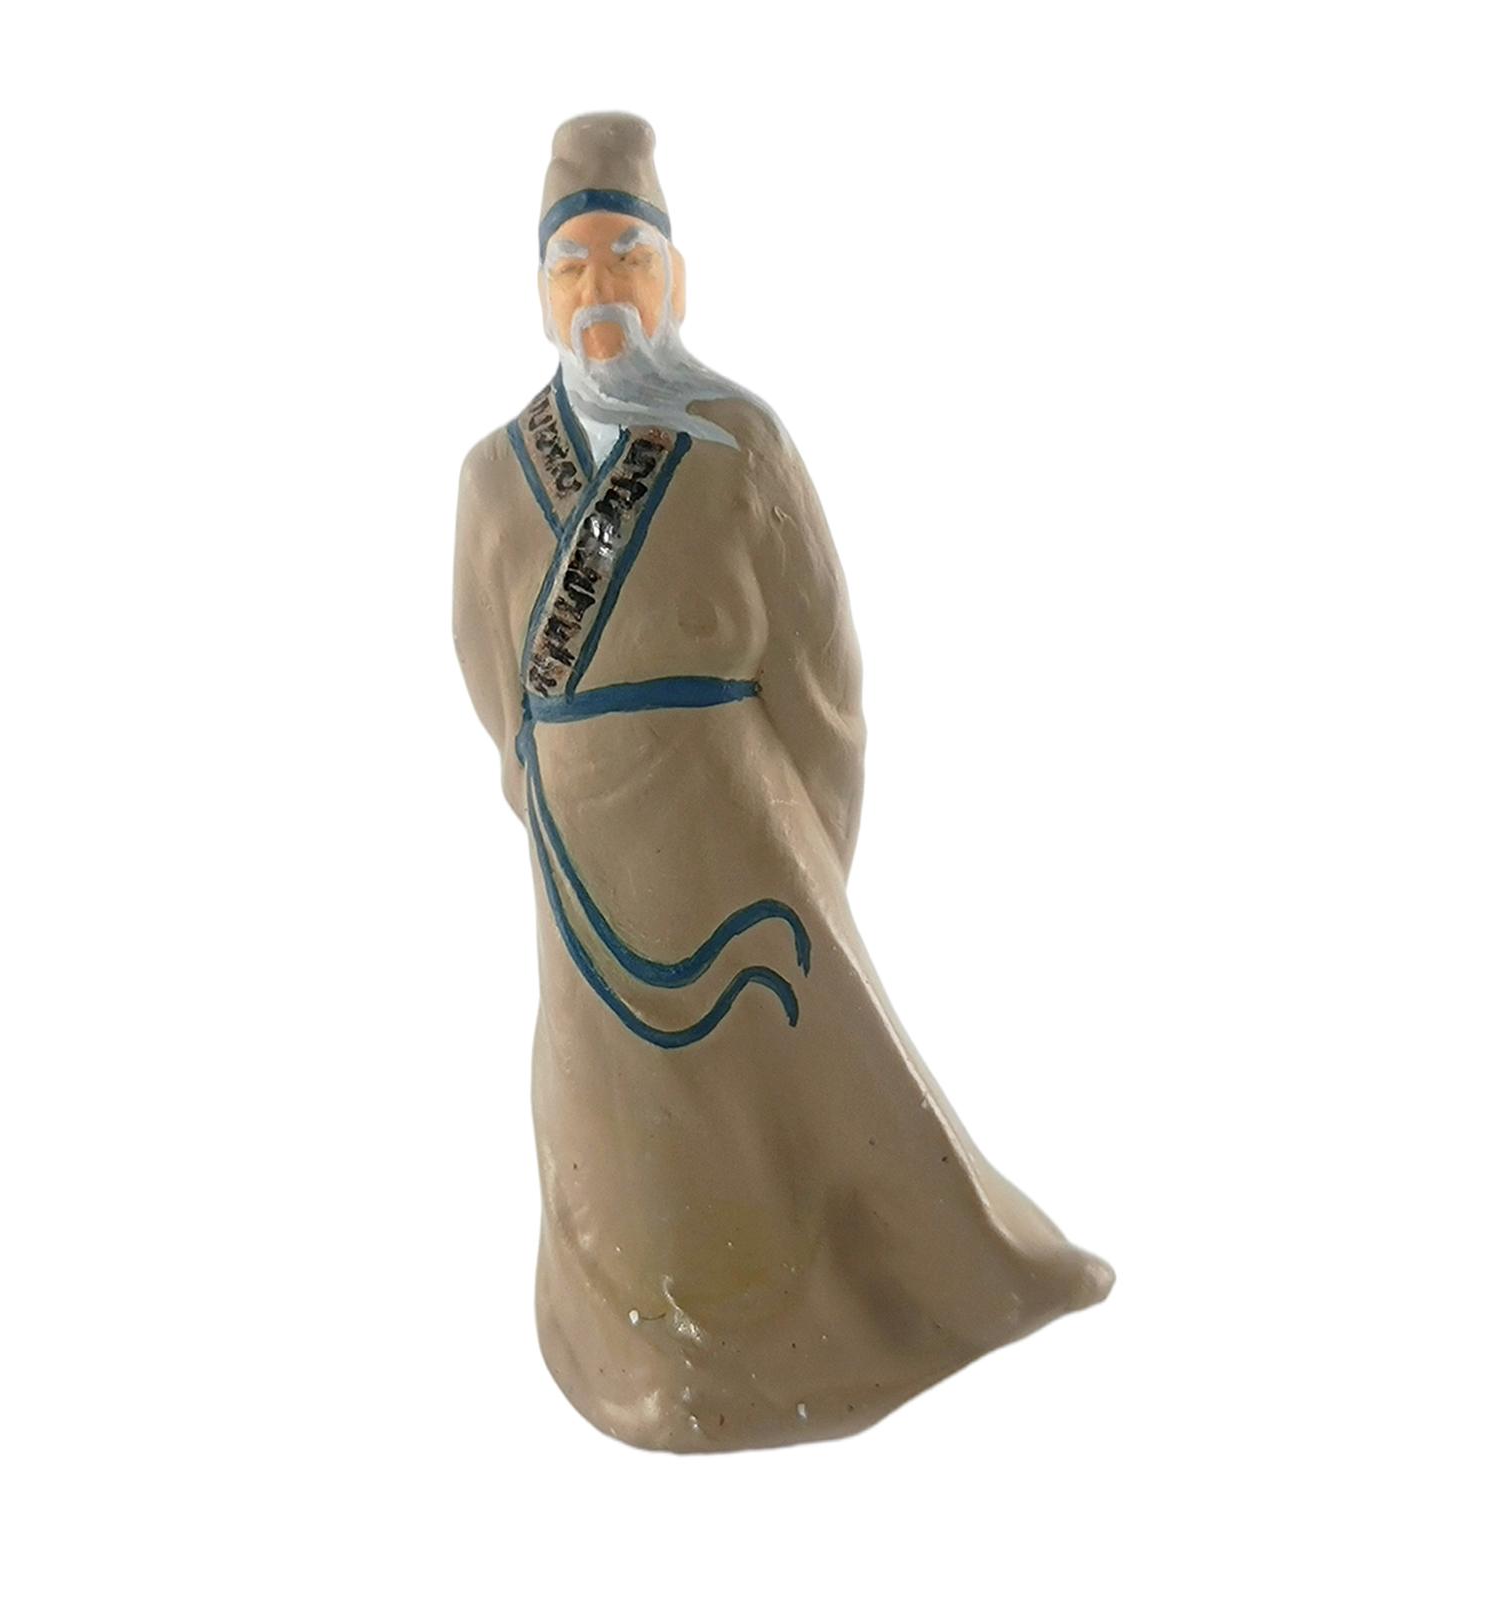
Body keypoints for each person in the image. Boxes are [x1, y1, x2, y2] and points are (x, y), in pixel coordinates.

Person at [453, 111, 1112, 1451]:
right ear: (539, 293)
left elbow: (818, 675)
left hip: (737, 832)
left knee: (777, 1085)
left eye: (627, 258)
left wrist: (806, 840)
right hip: (580, 854)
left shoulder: (736, 441)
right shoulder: (495, 475)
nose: (600, 290)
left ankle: (842, 1299)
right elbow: (489, 671)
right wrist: (555, 780)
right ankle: (641, 1329)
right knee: (614, 1104)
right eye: (571, 266)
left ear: (675, 278)